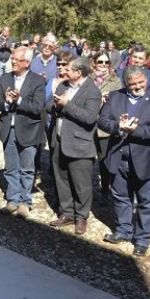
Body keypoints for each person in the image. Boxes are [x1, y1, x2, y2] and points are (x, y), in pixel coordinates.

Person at [98, 65, 150, 257]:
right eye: (133, 84)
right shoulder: (115, 96)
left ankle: (142, 239)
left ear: (146, 80)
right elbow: (102, 121)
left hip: (146, 158)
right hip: (118, 155)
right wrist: (118, 126)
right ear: (126, 84)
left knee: (146, 202)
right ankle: (123, 230)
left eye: (141, 83)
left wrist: (134, 131)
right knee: (121, 196)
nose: (137, 87)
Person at [46, 57, 102, 235]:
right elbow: (48, 106)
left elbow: (89, 118)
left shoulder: (92, 91)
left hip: (79, 144)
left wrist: (67, 105)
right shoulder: (63, 86)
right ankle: (67, 213)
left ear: (79, 72)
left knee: (81, 184)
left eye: (68, 69)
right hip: (59, 140)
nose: (64, 71)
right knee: (62, 179)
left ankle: (81, 217)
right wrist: (55, 105)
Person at [0, 46, 46, 219]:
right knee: (11, 167)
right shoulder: (5, 77)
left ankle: (25, 201)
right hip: (8, 128)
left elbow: (38, 108)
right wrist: (7, 103)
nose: (13, 61)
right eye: (12, 58)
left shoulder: (37, 80)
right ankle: (13, 199)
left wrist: (20, 100)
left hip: (29, 130)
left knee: (27, 169)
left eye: (17, 59)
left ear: (27, 62)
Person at [90, 51, 122, 200]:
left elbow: (118, 103)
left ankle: (105, 190)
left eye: (106, 62)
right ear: (94, 63)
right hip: (87, 125)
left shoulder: (115, 81)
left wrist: (108, 100)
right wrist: (97, 98)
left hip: (104, 126)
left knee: (104, 160)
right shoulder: (87, 79)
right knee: (86, 160)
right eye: (100, 62)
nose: (103, 65)